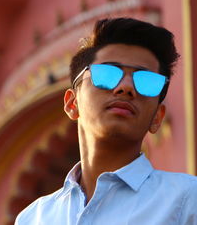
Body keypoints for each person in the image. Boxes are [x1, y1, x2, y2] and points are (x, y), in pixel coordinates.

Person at [15, 17, 197, 224]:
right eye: (107, 74)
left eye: (147, 81)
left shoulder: (187, 201)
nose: (126, 87)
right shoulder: (34, 218)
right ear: (72, 103)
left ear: (157, 117)